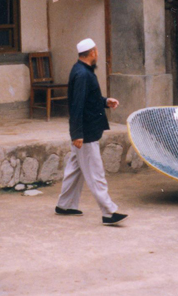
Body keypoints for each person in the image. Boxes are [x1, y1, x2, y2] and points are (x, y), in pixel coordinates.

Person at [55, 38, 129, 226]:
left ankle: (65, 205)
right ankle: (108, 212)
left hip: (85, 131)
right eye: (96, 51)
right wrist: (77, 134)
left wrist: (105, 101)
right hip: (85, 133)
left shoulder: (82, 71)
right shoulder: (82, 74)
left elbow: (89, 98)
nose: (98, 54)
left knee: (74, 169)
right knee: (96, 173)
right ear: (92, 53)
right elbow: (77, 105)